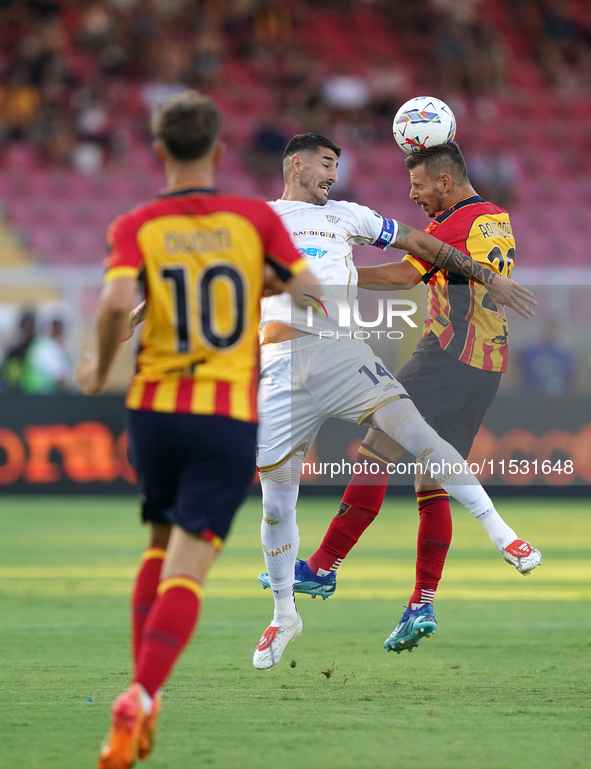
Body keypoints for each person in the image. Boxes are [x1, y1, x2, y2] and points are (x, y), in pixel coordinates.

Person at [76, 91, 317, 769]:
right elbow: (302, 287)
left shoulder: (138, 224)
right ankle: (141, 695)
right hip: (224, 414)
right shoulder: (250, 217)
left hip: (152, 409)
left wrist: (97, 365)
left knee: (157, 543)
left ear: (158, 153)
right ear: (217, 152)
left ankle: (141, 698)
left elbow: (118, 300)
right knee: (190, 563)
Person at [252, 133, 539, 670]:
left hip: (447, 351)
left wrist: (333, 277)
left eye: (419, 185)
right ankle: (422, 602)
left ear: (445, 181)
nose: (414, 196)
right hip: (489, 363)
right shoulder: (496, 216)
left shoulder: (455, 220)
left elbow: (410, 271)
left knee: (380, 444)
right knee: (432, 481)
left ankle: (323, 564)